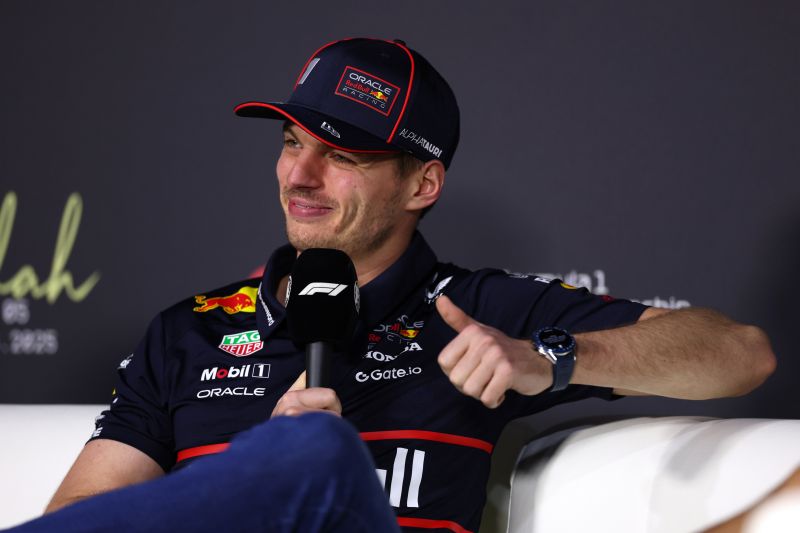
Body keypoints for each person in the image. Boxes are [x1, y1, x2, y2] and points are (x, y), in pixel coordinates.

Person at [18, 37, 776, 533]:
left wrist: (548, 357)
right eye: (291, 142)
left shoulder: (477, 311)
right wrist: (258, 466)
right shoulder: (189, 330)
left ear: (423, 184)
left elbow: (739, 353)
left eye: (342, 155)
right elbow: (77, 516)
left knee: (319, 452)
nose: (299, 176)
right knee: (305, 452)